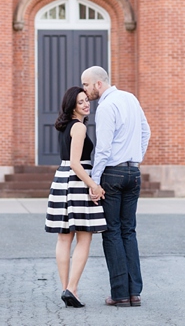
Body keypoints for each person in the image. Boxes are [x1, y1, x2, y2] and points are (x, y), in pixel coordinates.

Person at [81, 66, 150, 308]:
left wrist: (95, 182)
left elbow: (103, 149)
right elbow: (146, 131)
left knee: (112, 232)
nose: (85, 90)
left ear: (99, 83)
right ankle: (135, 293)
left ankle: (120, 293)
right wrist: (136, 159)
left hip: (112, 173)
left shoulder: (107, 107)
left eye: (87, 85)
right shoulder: (130, 98)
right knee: (128, 231)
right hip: (133, 172)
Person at [45, 86, 107, 308]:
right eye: (80, 102)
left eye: (86, 100)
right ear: (72, 106)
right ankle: (71, 288)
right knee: (84, 236)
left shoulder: (65, 127)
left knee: (64, 238)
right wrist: (94, 185)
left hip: (62, 179)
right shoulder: (79, 128)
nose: (86, 104)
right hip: (77, 181)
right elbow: (75, 163)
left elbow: (67, 163)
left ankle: (67, 289)